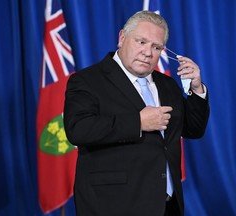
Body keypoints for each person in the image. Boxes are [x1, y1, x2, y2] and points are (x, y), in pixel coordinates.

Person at [64, 10, 209, 216]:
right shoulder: (87, 80)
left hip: (167, 205)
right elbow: (78, 130)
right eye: (141, 42)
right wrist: (138, 122)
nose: (148, 52)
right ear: (122, 38)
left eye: (156, 47)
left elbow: (193, 129)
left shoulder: (166, 84)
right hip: (114, 205)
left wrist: (196, 89)